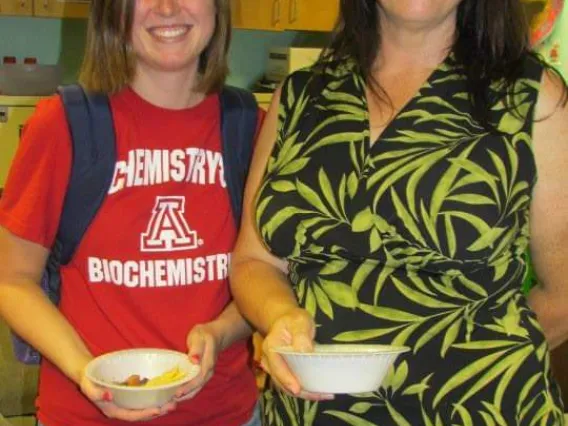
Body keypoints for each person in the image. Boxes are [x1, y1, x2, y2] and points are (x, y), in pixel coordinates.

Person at [230, 0, 568, 424]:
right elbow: (253, 260)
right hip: (312, 409)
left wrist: (465, 358)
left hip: (475, 411)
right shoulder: (300, 98)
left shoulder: (532, 99)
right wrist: (280, 316)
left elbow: (564, 294)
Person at [0, 0, 262, 425]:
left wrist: (223, 330)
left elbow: (266, 273)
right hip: (83, 415)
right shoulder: (63, 125)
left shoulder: (250, 129)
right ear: (113, 11)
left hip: (225, 414)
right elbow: (12, 279)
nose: (167, 8)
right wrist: (85, 371)